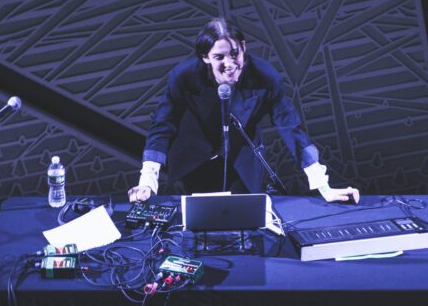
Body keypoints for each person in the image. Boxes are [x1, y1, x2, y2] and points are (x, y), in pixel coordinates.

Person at [128, 17, 359, 204]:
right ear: (205, 57)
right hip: (193, 162)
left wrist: (323, 187)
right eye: (219, 57)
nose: (229, 64)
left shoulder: (265, 76)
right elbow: (163, 126)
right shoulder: (184, 76)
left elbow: (292, 129)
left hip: (242, 163)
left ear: (244, 47)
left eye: (234, 53)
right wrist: (147, 181)